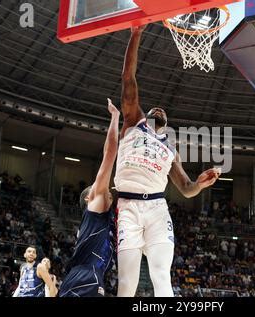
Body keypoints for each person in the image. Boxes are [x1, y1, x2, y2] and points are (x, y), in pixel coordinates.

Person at [115, 25, 221, 297]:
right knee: (127, 283)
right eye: (154, 108)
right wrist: (136, 35)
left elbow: (186, 188)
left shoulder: (171, 149)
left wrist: (200, 184)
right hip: (127, 205)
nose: (159, 109)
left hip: (157, 208)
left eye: (163, 111)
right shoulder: (133, 123)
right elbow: (128, 78)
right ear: (146, 114)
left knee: (161, 276)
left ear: (166, 124)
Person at [58, 99, 119, 297]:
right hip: (86, 275)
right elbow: (109, 154)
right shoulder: (96, 203)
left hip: (90, 276)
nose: (104, 188)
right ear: (88, 199)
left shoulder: (103, 217)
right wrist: (115, 118)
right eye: (98, 188)